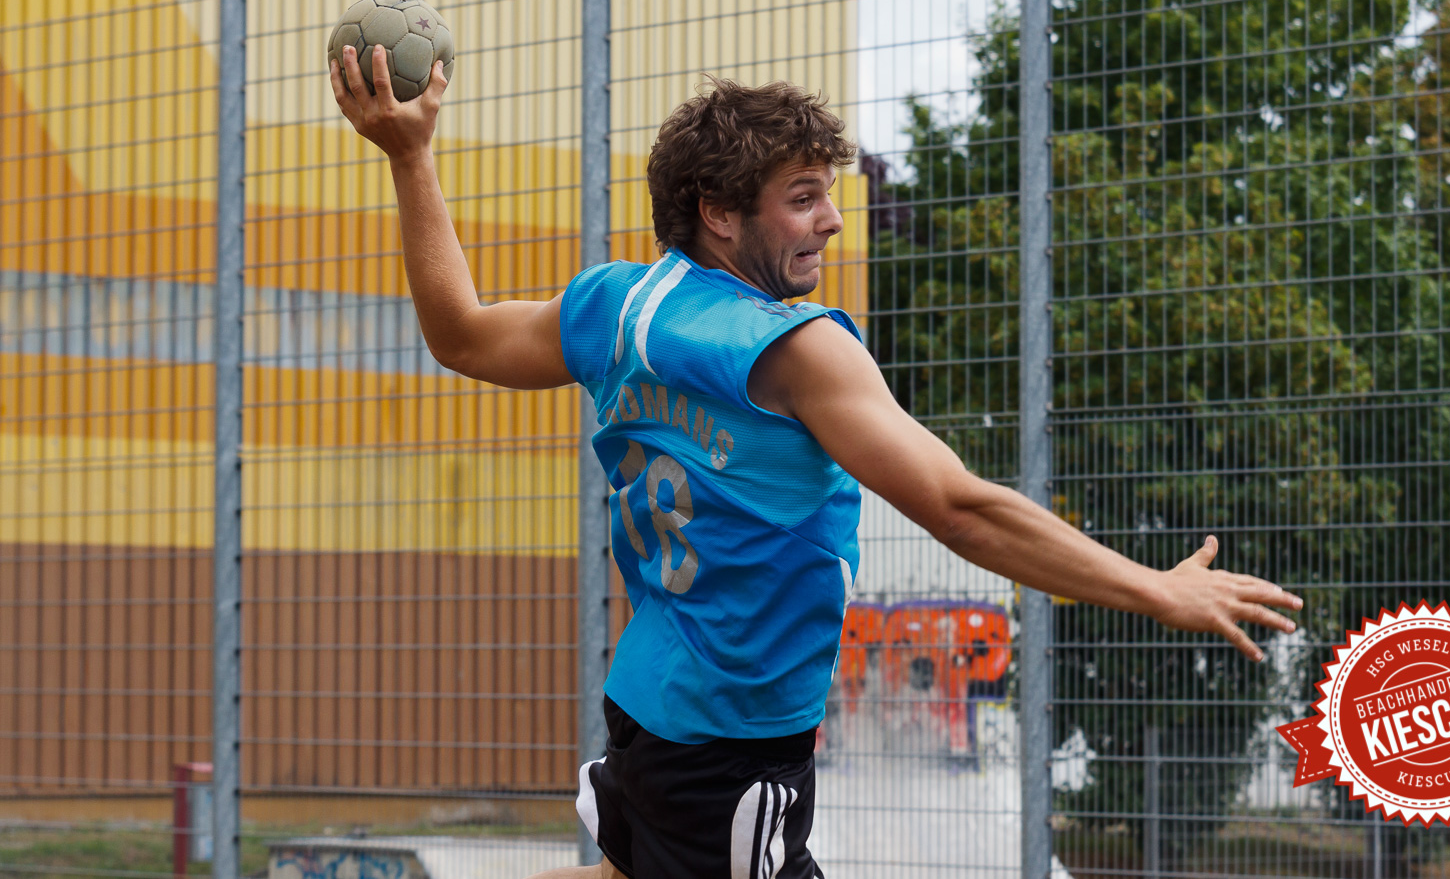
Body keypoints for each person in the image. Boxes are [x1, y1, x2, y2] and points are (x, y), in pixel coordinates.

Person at [330, 46, 1304, 879]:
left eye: (828, 193)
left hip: (651, 699)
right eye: (802, 199)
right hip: (730, 738)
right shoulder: (797, 351)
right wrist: (1154, 587)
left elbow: (459, 332)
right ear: (716, 210)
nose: (832, 220)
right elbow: (961, 507)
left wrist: (411, 156)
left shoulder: (611, 307)